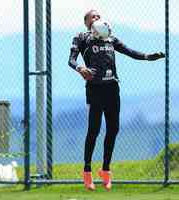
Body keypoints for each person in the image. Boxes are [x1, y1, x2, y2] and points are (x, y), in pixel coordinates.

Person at [68, 9, 165, 191]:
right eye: (93, 17)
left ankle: (105, 170)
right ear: (86, 22)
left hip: (112, 88)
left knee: (113, 129)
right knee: (94, 130)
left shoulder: (110, 38)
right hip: (95, 89)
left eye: (99, 16)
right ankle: (87, 171)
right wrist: (81, 68)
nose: (97, 18)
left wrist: (147, 57)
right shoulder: (82, 38)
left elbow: (129, 51)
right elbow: (71, 60)